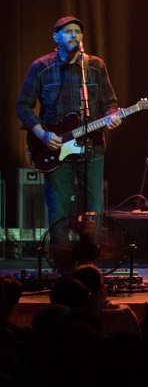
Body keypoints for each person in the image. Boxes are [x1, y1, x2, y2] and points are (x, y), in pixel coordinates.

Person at [15, 17, 120, 266]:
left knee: (94, 207)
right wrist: (42, 134)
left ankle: (89, 264)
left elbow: (110, 103)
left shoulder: (94, 66)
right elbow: (23, 105)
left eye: (78, 32)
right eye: (68, 31)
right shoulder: (41, 67)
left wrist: (113, 116)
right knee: (58, 208)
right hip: (55, 149)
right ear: (56, 37)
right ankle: (61, 264)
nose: (75, 35)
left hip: (92, 148)